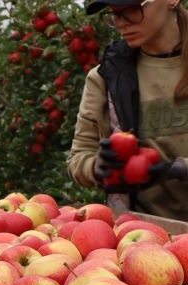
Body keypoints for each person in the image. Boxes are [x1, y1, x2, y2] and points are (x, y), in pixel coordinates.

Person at [68, 0, 188, 219]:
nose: (122, 22)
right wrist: (98, 167)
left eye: (133, 8)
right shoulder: (106, 78)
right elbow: (78, 157)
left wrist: (180, 169)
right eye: (115, 12)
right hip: (146, 233)